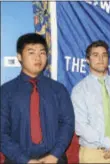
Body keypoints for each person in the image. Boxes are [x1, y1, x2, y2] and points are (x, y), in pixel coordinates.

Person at [0, 33, 75, 163]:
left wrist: (55, 155)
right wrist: (24, 160)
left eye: (42, 53)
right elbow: (1, 132)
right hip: (17, 160)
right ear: (19, 56)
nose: (38, 58)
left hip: (54, 159)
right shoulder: (6, 91)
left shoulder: (58, 89)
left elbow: (67, 123)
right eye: (31, 53)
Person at [71, 40, 110, 163]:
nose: (100, 58)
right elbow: (81, 126)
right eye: (95, 55)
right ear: (88, 60)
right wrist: (109, 143)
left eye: (104, 55)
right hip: (93, 153)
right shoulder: (79, 90)